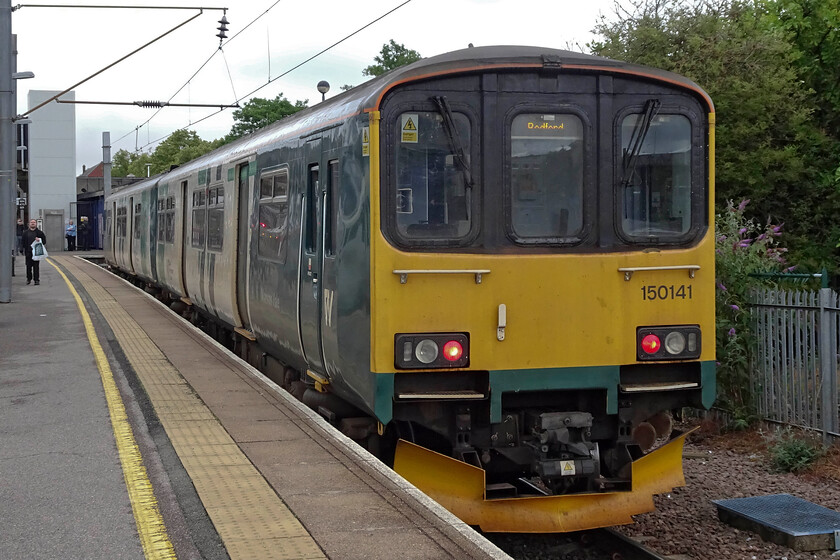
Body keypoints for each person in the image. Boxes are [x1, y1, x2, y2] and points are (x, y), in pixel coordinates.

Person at [20, 219, 46, 285]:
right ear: (29, 224)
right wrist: (21, 249)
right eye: (31, 222)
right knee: (28, 266)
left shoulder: (40, 233)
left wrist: (39, 240)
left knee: (36, 267)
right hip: (28, 252)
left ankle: (36, 280)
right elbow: (22, 242)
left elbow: (44, 241)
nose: (33, 223)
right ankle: (28, 279)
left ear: (36, 224)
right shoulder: (25, 233)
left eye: (34, 222)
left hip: (36, 252)